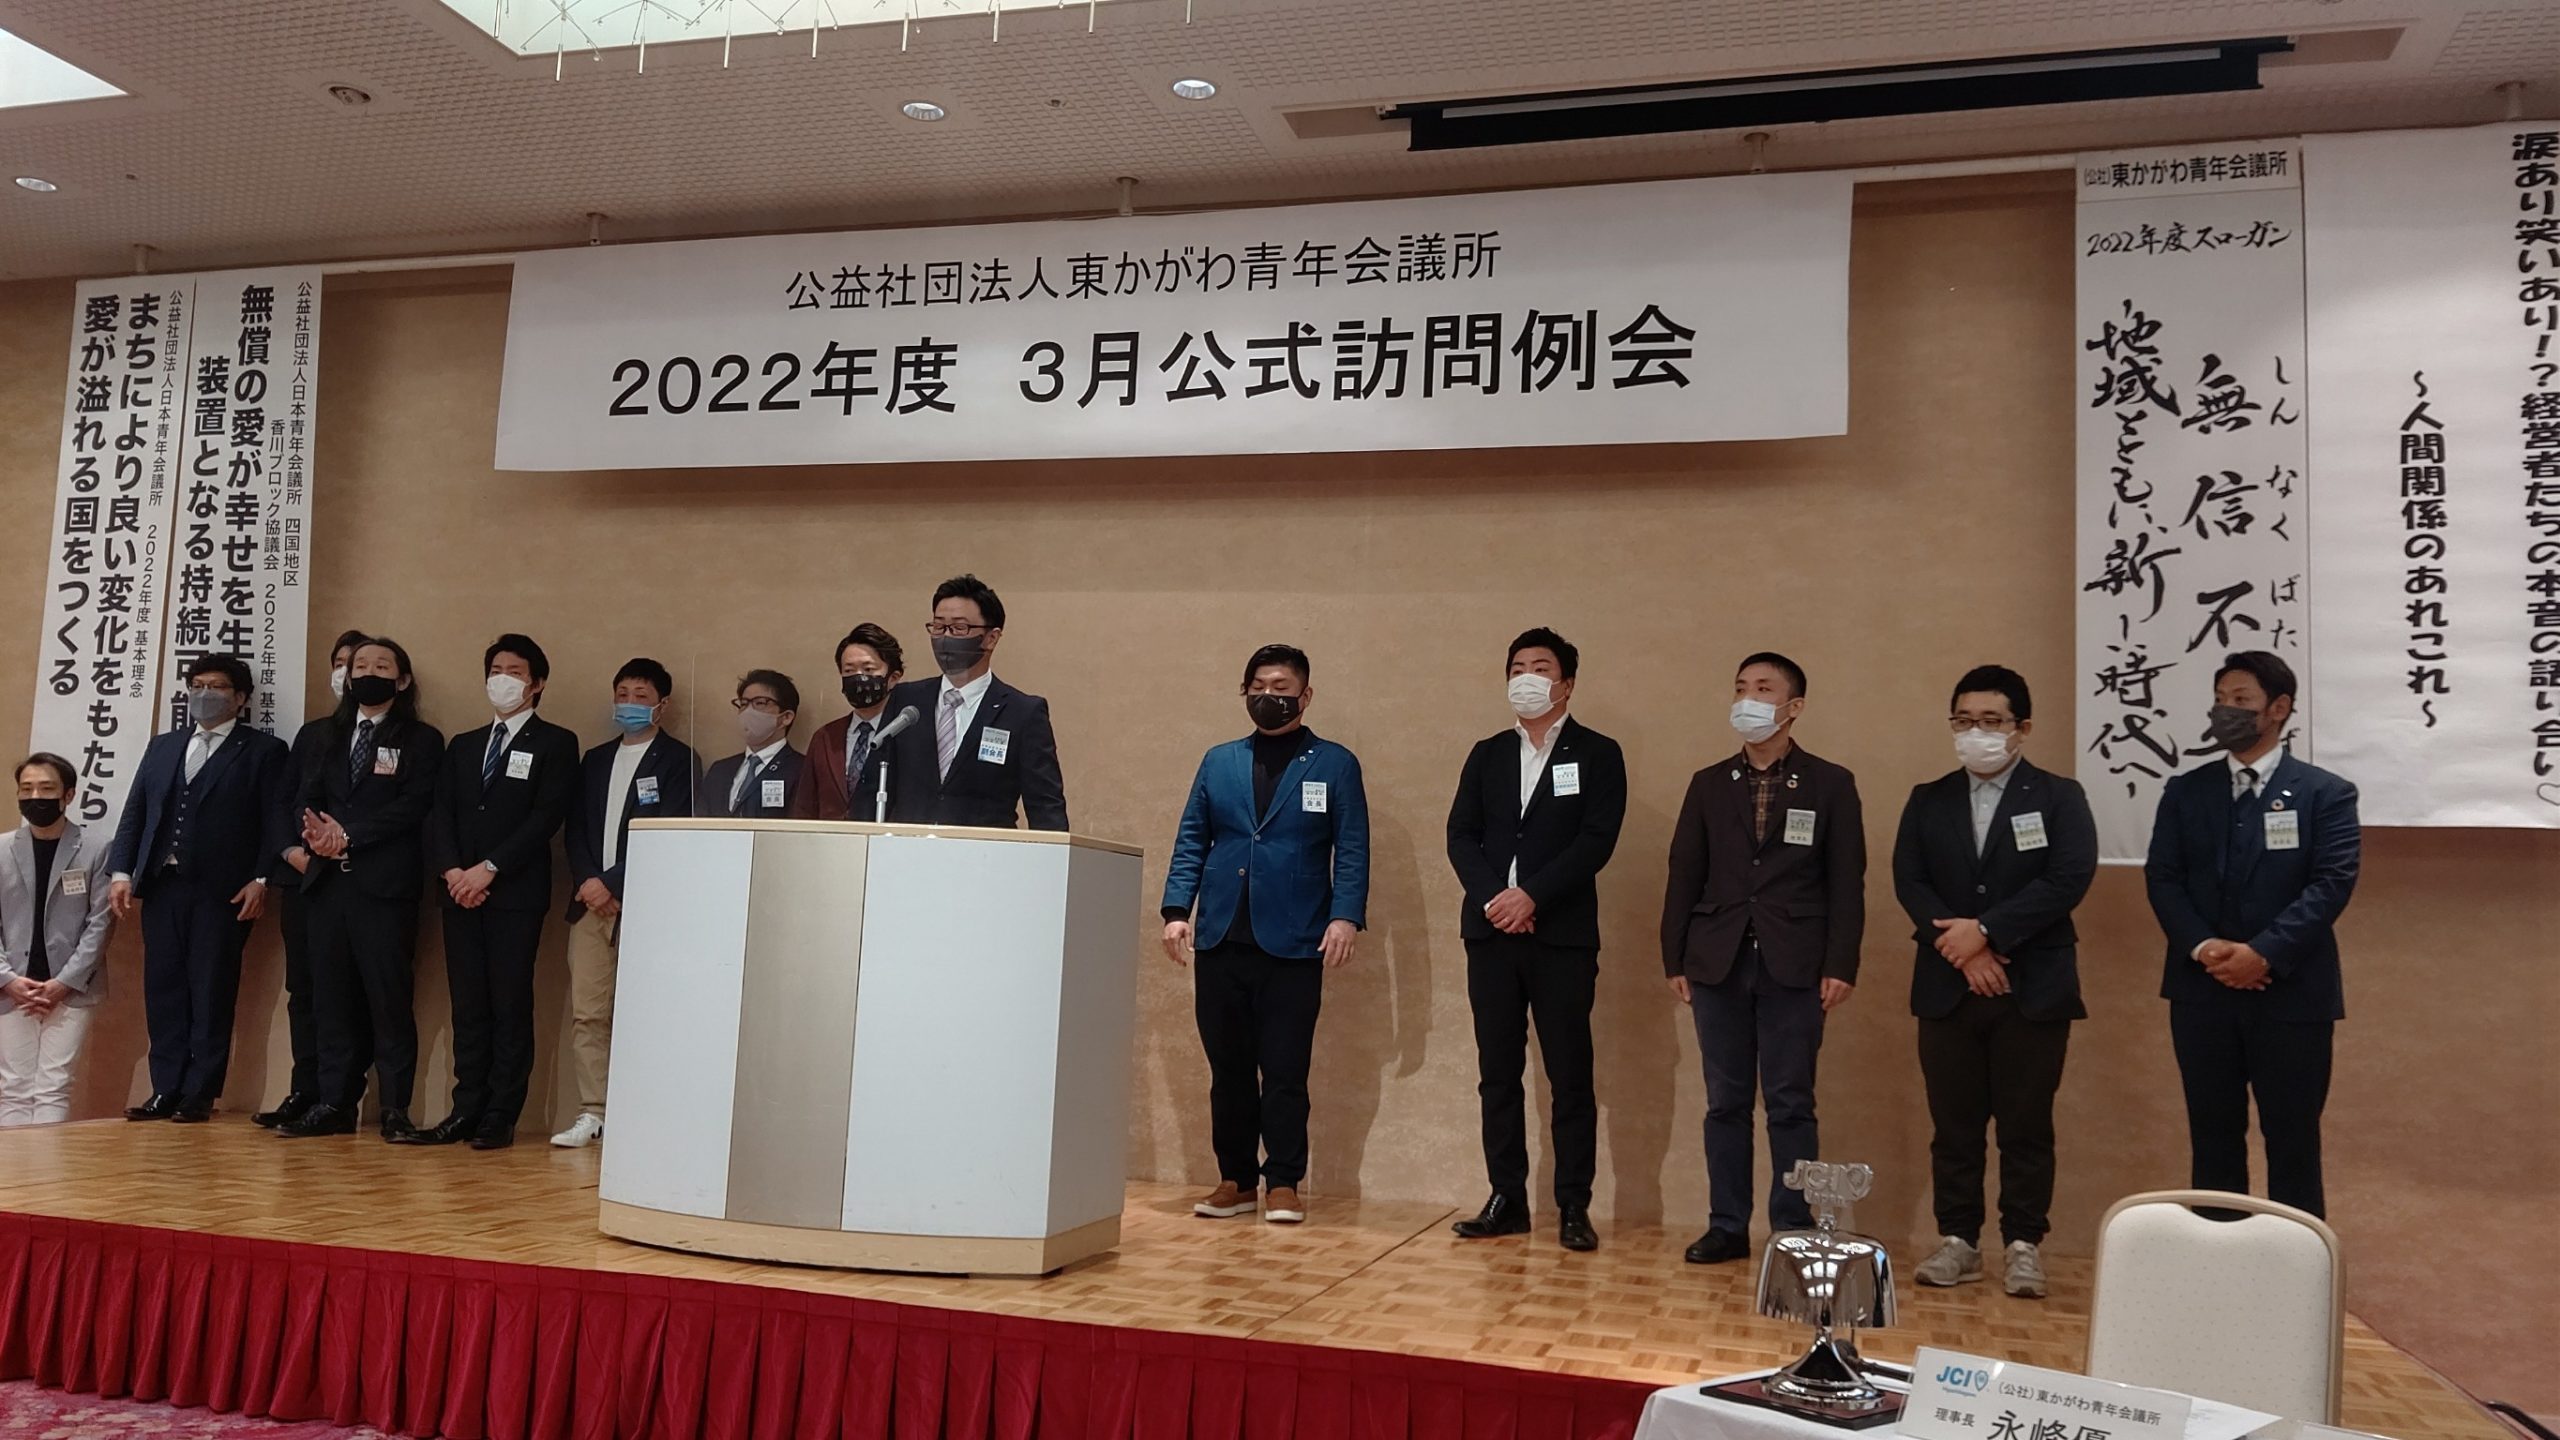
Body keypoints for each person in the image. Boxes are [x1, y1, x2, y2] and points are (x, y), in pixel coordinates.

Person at [1892, 666, 2096, 1298]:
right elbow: (1910, 880)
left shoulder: (2059, 797)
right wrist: (1964, 951)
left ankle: (2023, 1243)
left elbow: (2068, 878)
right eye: (1963, 721)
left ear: (2021, 728)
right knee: (1954, 1125)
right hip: (1948, 986)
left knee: (2025, 1124)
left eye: (1990, 721)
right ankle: (1958, 1239)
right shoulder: (1929, 799)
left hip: (2032, 988)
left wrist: (1988, 933)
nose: (1975, 732)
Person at [1660, 652, 1865, 1263]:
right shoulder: (1708, 783)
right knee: (1724, 1102)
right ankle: (1726, 1224)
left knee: (1790, 1101)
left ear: (1793, 706)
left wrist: (1841, 963)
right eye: (1741, 687)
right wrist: (1674, 956)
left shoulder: (1830, 783)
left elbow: (1846, 882)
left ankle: (1791, 1225)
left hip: (1796, 962)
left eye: (1764, 688)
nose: (1748, 698)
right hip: (1716, 959)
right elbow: (1683, 873)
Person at [2145, 651, 2359, 1218]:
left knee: (2293, 1141)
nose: (2226, 711)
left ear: (2278, 708)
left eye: (2241, 700)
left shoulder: (2325, 794)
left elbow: (2331, 883)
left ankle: (2297, 1264)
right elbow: (2163, 878)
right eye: (2220, 699)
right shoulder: (2186, 791)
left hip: (2292, 996)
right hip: (2202, 992)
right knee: (2212, 1137)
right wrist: (2204, 947)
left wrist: (2263, 953)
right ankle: (2220, 1258)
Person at [1161, 644, 1368, 1227]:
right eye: (1257, 686)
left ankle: (1283, 1181)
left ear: (1305, 695)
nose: (1268, 696)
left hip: (1295, 938)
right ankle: (1236, 1179)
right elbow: (1192, 837)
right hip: (1222, 936)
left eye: (1280, 687)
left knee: (1283, 1070)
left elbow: (1352, 847)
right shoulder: (1219, 760)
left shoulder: (1334, 763)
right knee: (1227, 1070)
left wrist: (1345, 916)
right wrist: (1177, 909)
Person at [1444, 628, 1626, 1253]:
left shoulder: (1598, 753)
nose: (1526, 677)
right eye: (1517, 667)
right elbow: (1460, 835)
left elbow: (1596, 840)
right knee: (1497, 1072)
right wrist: (1497, 898)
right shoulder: (1487, 753)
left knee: (1570, 1074)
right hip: (1490, 933)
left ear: (1566, 683)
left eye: (1540, 667)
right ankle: (1507, 1199)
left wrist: (1533, 897)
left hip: (1561, 936)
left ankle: (1573, 1204)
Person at [409, 634, 578, 1151]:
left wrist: (488, 869)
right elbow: (440, 813)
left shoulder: (556, 742)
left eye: (515, 671)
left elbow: (546, 816)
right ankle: (465, 1108)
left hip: (513, 893)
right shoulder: (463, 745)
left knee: (509, 1003)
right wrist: (452, 872)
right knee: (468, 1005)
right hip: (458, 891)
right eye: (496, 670)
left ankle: (500, 1114)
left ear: (537, 683)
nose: (503, 679)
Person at [108, 652, 292, 1122]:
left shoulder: (263, 750)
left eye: (217, 686)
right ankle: (165, 1087)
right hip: (163, 884)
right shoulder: (164, 746)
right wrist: (122, 871)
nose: (204, 694)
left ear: (241, 698)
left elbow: (274, 820)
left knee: (212, 987)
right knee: (163, 988)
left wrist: (261, 878)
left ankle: (200, 1092)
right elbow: (136, 812)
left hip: (224, 890)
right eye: (197, 685)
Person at [279, 637, 443, 1140]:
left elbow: (413, 805)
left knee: (388, 1000)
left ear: (402, 679)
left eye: (382, 665)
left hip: (384, 888)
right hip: (325, 886)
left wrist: (348, 835)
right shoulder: (320, 734)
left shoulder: (421, 739)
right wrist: (313, 835)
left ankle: (394, 1108)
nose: (368, 673)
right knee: (330, 999)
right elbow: (300, 796)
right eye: (360, 665)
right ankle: (335, 1103)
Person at [554, 657, 696, 1149]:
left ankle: (643, 1113)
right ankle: (593, 1110)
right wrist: (590, 882)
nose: (629, 703)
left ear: (662, 705)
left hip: (648, 905)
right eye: (622, 694)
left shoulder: (680, 761)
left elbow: (670, 830)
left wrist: (614, 882)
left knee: (646, 1015)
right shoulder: (595, 760)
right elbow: (576, 829)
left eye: (641, 696)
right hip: (590, 905)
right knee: (588, 1013)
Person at [255, 628, 372, 1132]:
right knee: (301, 990)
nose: (347, 673)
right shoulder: (314, 733)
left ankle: (338, 1095)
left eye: (357, 663)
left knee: (341, 993)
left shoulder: (380, 736)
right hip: (302, 880)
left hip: (351, 882)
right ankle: (304, 1089)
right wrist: (291, 851)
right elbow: (283, 801)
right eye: (341, 663)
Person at [881, 575, 1069, 831]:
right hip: (908, 849)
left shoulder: (1022, 713)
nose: (945, 637)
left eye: (959, 628)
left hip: (986, 852)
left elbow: (1045, 806)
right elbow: (874, 787)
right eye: (938, 627)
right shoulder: (906, 701)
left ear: (991, 638)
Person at [0, 755, 117, 1126]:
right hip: (12, 988)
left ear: (68, 795)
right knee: (13, 1086)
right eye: (27, 789)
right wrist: (8, 979)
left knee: (54, 1085)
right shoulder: (1, 849)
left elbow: (101, 923)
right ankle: (16, 1165)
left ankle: (48, 1165)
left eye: (46, 788)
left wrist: (63, 983)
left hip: (72, 988)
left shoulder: (97, 848)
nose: (36, 797)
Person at [805, 624, 908, 822]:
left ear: (893, 678)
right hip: (829, 839)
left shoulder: (908, 736)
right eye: (849, 670)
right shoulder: (825, 737)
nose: (858, 677)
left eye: (868, 669)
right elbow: (805, 805)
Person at [700, 671, 811, 818]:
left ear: (786, 717)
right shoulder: (719, 771)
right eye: (744, 704)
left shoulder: (803, 770)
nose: (748, 711)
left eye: (760, 703)